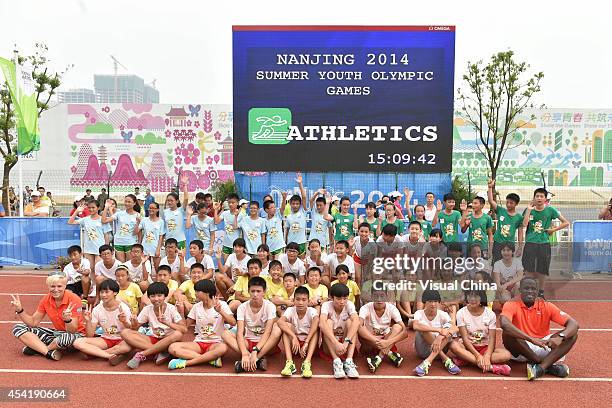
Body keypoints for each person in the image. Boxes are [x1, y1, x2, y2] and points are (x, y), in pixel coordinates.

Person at [500, 277, 579, 380]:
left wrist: (561, 337)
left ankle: (540, 368)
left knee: (572, 335)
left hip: (544, 345)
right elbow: (504, 324)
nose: (530, 291)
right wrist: (532, 339)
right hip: (521, 348)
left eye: (533, 289)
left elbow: (574, 324)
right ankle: (546, 365)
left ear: (537, 291)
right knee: (507, 334)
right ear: (520, 290)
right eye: (526, 288)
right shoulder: (511, 304)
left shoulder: (547, 305)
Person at [11, 272, 85, 361]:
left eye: (59, 286)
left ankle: (39, 349)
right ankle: (47, 352)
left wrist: (67, 320)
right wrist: (20, 310)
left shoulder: (74, 299)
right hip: (56, 334)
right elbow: (33, 322)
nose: (56, 289)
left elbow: (72, 331)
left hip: (76, 335)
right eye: (52, 286)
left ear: (65, 286)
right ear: (48, 287)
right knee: (18, 327)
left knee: (65, 338)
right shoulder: (46, 299)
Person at [167, 279, 236, 370]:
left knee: (223, 348)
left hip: (216, 343)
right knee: (173, 347)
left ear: (207, 293)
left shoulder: (221, 304)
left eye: (197, 291)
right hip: (199, 343)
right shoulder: (196, 307)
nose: (195, 293)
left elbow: (233, 322)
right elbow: (185, 327)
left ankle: (187, 363)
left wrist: (221, 311)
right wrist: (181, 312)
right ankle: (210, 359)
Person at [122, 282, 187, 369]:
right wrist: (133, 322)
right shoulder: (147, 309)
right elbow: (134, 328)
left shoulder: (171, 308)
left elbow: (184, 329)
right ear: (149, 297)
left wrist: (166, 322)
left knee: (178, 334)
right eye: (152, 296)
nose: (156, 299)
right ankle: (161, 351)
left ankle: (142, 354)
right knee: (125, 332)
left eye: (159, 295)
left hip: (169, 340)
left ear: (165, 296)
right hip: (154, 339)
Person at [449, 290, 512, 375]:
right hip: (468, 347)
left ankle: (467, 360)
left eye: (476, 296)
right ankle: (491, 367)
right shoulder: (461, 313)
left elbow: (492, 338)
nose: (472, 299)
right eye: (470, 296)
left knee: (506, 355)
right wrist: (477, 356)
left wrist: (487, 355)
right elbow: (464, 338)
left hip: (484, 348)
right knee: (453, 345)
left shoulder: (490, 314)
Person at [73, 279, 134, 365]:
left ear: (115, 293)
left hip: (122, 339)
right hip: (106, 339)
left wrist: (124, 322)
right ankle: (109, 356)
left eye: (107, 292)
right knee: (78, 342)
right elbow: (90, 335)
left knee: (127, 348)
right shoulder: (97, 309)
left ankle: (95, 353)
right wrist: (88, 321)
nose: (103, 295)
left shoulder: (123, 308)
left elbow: (132, 330)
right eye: (101, 292)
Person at [522, 188, 570, 298]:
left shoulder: (550, 210)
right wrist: (529, 210)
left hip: (544, 244)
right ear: (533, 198)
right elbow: (524, 225)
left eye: (541, 196)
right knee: (528, 269)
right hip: (530, 243)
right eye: (537, 196)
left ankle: (541, 292)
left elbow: (566, 222)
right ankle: (527, 291)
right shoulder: (528, 210)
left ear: (545, 199)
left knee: (542, 270)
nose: (539, 198)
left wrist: (553, 230)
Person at [229, 276, 281, 373]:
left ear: (264, 292)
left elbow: (268, 332)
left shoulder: (270, 306)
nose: (255, 294)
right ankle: (253, 360)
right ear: (248, 291)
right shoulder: (242, 307)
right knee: (225, 334)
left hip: (266, 344)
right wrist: (244, 353)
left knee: (277, 329)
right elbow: (240, 333)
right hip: (248, 342)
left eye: (258, 291)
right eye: (252, 291)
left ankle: (256, 358)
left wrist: (256, 351)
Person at [412, 289, 461, 376]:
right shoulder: (419, 313)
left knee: (448, 331)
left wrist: (440, 337)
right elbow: (415, 326)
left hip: (440, 346)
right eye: (430, 301)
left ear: (439, 302)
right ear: (425, 302)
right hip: (423, 351)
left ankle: (427, 362)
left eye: (435, 301)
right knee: (423, 329)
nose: (433, 304)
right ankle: (445, 359)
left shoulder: (443, 314)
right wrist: (438, 330)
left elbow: (455, 328)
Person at [358, 289, 406, 373]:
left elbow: (404, 332)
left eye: (382, 296)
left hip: (387, 339)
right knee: (359, 327)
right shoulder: (365, 308)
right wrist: (377, 340)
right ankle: (389, 353)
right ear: (372, 297)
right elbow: (358, 326)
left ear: (387, 296)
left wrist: (388, 342)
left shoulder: (392, 308)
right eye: (376, 296)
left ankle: (379, 358)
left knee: (398, 327)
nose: (379, 299)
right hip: (370, 340)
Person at [319, 283, 360, 379]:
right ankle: (336, 361)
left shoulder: (349, 305)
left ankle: (349, 361)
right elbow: (321, 324)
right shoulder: (326, 305)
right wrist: (336, 343)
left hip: (346, 346)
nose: (342, 302)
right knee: (327, 322)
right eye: (338, 299)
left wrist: (345, 343)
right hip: (331, 346)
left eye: (345, 298)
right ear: (331, 298)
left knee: (352, 322)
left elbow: (357, 321)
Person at [277, 286, 320, 377]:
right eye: (298, 299)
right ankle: (289, 363)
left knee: (316, 330)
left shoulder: (312, 311)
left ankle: (307, 362)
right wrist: (294, 337)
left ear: (308, 301)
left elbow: (316, 322)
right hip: (295, 345)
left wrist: (306, 342)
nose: (300, 302)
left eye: (304, 300)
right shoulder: (290, 310)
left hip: (308, 344)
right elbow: (280, 322)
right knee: (286, 328)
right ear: (294, 300)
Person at [488, 179, 524, 263]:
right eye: (507, 202)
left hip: (510, 244)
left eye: (511, 203)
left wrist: (520, 247)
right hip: (498, 243)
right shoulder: (501, 210)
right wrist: (490, 187)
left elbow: (520, 232)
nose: (508, 204)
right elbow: (491, 201)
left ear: (516, 204)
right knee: (496, 264)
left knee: (507, 265)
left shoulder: (519, 217)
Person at [68, 199, 109, 268]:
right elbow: (70, 222)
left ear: (98, 208)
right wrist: (77, 211)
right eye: (89, 208)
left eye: (93, 207)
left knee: (98, 268)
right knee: (90, 268)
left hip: (99, 248)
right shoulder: (85, 219)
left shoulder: (102, 220)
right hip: (88, 248)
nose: (91, 209)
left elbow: (106, 235)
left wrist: (106, 248)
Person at [102, 195, 141, 262]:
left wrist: (137, 223)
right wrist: (106, 207)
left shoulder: (137, 215)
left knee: (130, 264)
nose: (127, 203)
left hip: (130, 243)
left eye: (129, 202)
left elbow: (136, 232)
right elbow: (104, 221)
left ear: (134, 203)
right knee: (121, 265)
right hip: (118, 242)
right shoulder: (119, 214)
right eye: (125, 201)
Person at [284, 173, 309, 257]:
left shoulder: (303, 211)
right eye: (293, 203)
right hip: (290, 243)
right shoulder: (289, 216)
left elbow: (304, 197)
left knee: (302, 263)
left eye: (297, 203)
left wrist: (300, 183)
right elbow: (287, 231)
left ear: (300, 204)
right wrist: (286, 242)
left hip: (301, 243)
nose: (295, 205)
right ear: (290, 204)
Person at [136, 201, 165, 272]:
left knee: (158, 268)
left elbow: (161, 236)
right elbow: (136, 231)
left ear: (157, 210)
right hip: (145, 247)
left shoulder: (161, 222)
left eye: (153, 208)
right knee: (147, 268)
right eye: (149, 208)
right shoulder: (144, 220)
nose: (150, 210)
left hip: (155, 247)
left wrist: (158, 249)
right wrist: (137, 222)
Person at [215, 193, 245, 261]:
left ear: (237, 203)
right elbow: (216, 222)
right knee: (226, 266)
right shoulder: (225, 213)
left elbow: (235, 227)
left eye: (233, 202)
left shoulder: (242, 215)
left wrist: (236, 216)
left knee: (235, 266)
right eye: (229, 202)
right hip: (226, 244)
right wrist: (216, 210)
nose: (230, 204)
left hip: (236, 245)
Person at [163, 176, 189, 250]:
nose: (169, 202)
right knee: (169, 260)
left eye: (171, 200)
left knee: (181, 259)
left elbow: (186, 199)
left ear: (177, 201)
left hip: (180, 240)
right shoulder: (165, 212)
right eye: (168, 201)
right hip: (169, 241)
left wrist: (185, 185)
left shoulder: (181, 210)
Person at [263, 192, 288, 259]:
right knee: (270, 265)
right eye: (271, 207)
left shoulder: (278, 216)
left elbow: (282, 208)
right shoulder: (264, 221)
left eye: (274, 207)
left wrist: (284, 198)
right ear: (266, 210)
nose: (274, 208)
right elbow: (264, 234)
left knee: (278, 264)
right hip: (269, 247)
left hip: (279, 246)